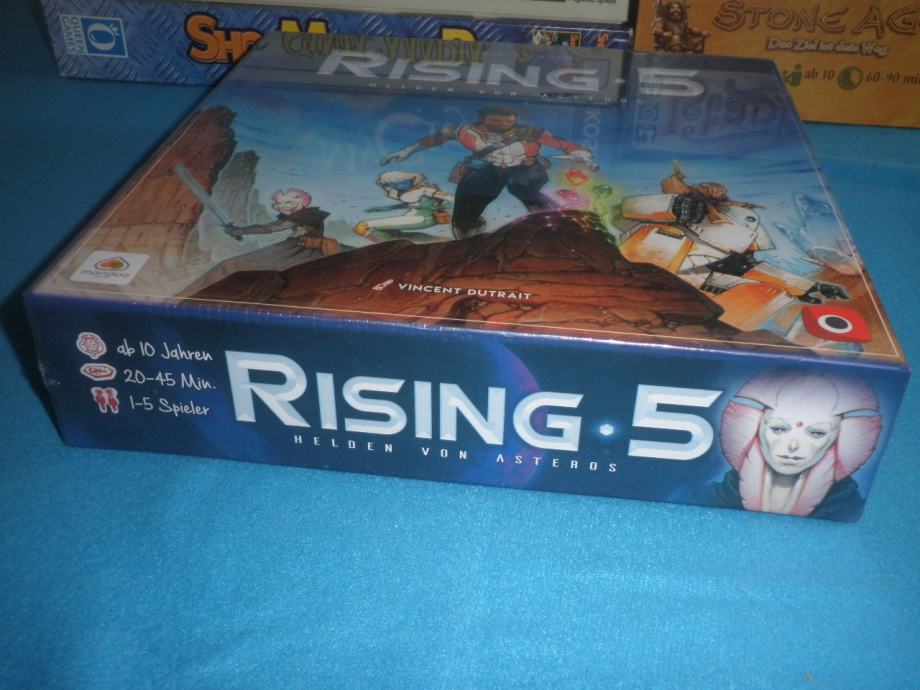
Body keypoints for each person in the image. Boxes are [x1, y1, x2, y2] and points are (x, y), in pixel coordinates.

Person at [381, 106, 596, 238]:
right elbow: (436, 138)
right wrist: (408, 150)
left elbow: (562, 143)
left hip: (524, 168)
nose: (503, 124)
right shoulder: (464, 130)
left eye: (508, 121)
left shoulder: (530, 132)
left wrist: (581, 154)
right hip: (485, 168)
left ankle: (553, 227)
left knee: (526, 189)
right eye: (497, 120)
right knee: (468, 203)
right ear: (483, 118)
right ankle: (468, 233)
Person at [701, 371, 882, 520]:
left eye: (816, 433)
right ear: (755, 428)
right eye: (778, 429)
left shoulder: (845, 506)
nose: (793, 446)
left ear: (838, 438)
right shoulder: (718, 496)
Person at [183, 188, 336, 294]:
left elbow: (270, 228)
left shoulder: (305, 216)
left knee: (230, 266)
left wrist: (240, 231)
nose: (281, 207)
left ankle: (187, 295)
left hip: (295, 250)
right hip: (296, 249)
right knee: (231, 267)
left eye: (287, 203)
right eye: (279, 204)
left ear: (301, 202)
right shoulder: (304, 216)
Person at [353, 171, 454, 243]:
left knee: (363, 227)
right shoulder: (405, 193)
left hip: (423, 218)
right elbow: (410, 204)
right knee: (392, 234)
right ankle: (435, 241)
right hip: (414, 217)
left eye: (401, 182)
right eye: (392, 184)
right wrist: (388, 208)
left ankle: (390, 249)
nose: (398, 186)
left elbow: (449, 198)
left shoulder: (423, 189)